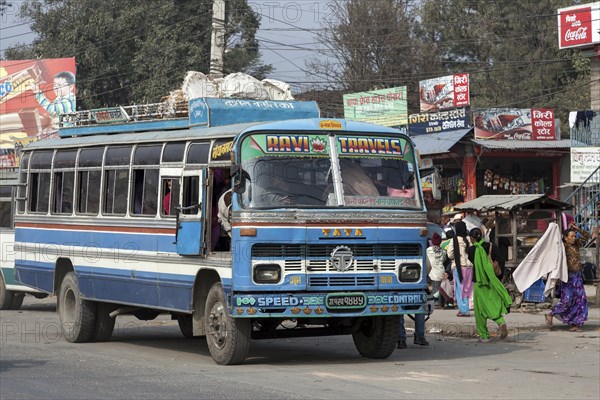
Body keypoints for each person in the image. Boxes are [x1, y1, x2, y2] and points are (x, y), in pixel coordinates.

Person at [467, 227, 512, 342]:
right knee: (493, 305)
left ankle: (484, 335)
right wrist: (497, 278)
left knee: (480, 310)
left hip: (479, 282)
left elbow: (473, 262)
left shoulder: (471, 250)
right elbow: (501, 260)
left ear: (472, 238)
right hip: (491, 281)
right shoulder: (492, 246)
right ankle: (500, 322)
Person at [545, 224, 590, 331]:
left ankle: (575, 324)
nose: (574, 238)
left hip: (577, 276)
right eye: (571, 236)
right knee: (567, 301)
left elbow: (587, 236)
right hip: (567, 277)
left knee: (580, 300)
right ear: (565, 238)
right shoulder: (562, 247)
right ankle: (551, 314)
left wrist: (577, 229)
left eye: (575, 236)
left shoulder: (577, 244)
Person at [446, 220, 473, 317]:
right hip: (469, 267)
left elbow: (449, 254)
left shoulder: (454, 240)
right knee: (467, 288)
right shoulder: (469, 239)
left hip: (459, 267)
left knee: (460, 289)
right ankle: (467, 307)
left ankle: (464, 310)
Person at [427, 233, 447, 308]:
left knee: (435, 288)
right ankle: (441, 302)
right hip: (441, 271)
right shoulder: (443, 251)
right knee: (441, 288)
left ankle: (436, 303)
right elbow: (445, 259)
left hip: (433, 272)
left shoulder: (428, 250)